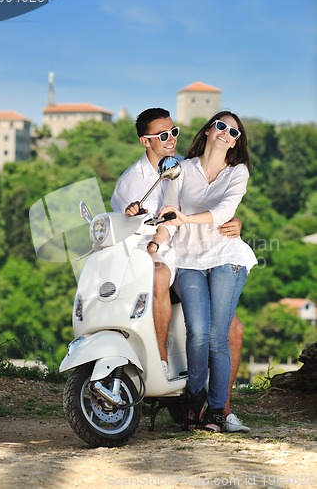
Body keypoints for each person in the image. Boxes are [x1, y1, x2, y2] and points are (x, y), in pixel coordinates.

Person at [111, 108, 249, 432]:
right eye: (162, 136)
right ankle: (162, 368)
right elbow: (129, 226)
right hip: (168, 259)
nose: (171, 139)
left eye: (174, 132)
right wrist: (137, 221)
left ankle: (220, 411)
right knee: (199, 325)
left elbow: (217, 209)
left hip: (195, 256)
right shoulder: (133, 182)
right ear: (145, 141)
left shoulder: (182, 167)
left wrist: (235, 223)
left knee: (232, 332)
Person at [152, 110, 258, 432]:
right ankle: (193, 406)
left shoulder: (238, 173)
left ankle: (215, 414)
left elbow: (224, 212)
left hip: (227, 257)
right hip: (188, 259)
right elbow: (169, 216)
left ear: (235, 143)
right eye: (221, 126)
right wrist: (156, 243)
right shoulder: (181, 170)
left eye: (234, 132)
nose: (227, 133)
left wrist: (186, 219)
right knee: (196, 332)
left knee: (216, 337)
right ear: (209, 131)